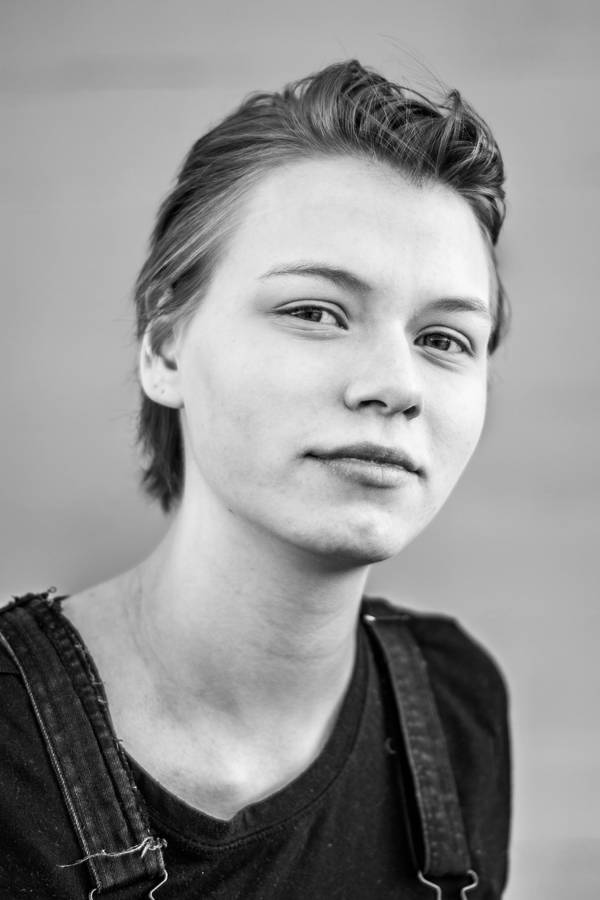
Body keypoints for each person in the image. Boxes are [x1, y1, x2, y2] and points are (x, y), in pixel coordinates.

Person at [0, 59, 511, 899]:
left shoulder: (458, 710)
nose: (396, 384)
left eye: (446, 339)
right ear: (166, 349)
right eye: (315, 312)